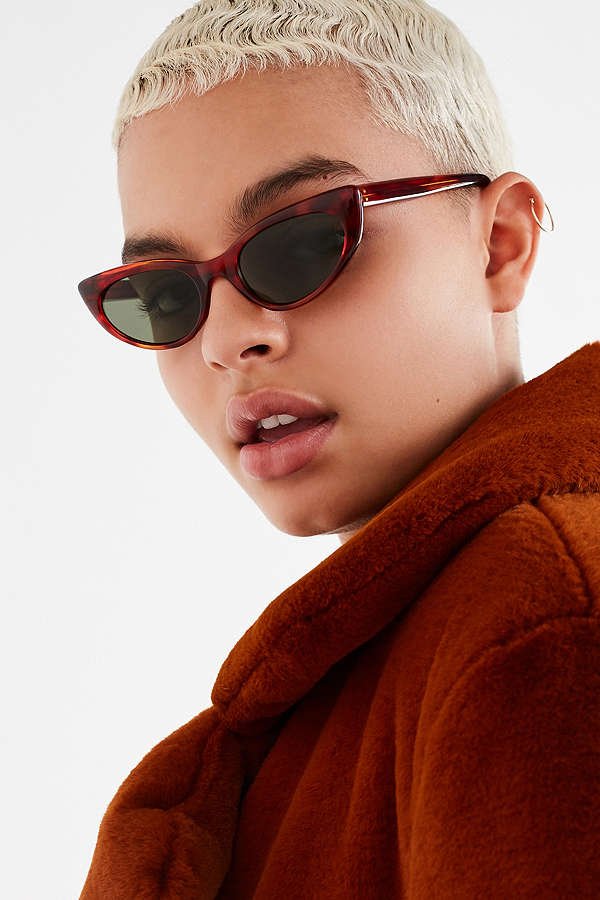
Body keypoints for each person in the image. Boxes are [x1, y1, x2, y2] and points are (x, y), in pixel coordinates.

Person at [78, 1, 600, 896]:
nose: (226, 342)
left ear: (500, 246)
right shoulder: (375, 668)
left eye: (301, 245)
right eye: (165, 296)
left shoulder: (547, 618)